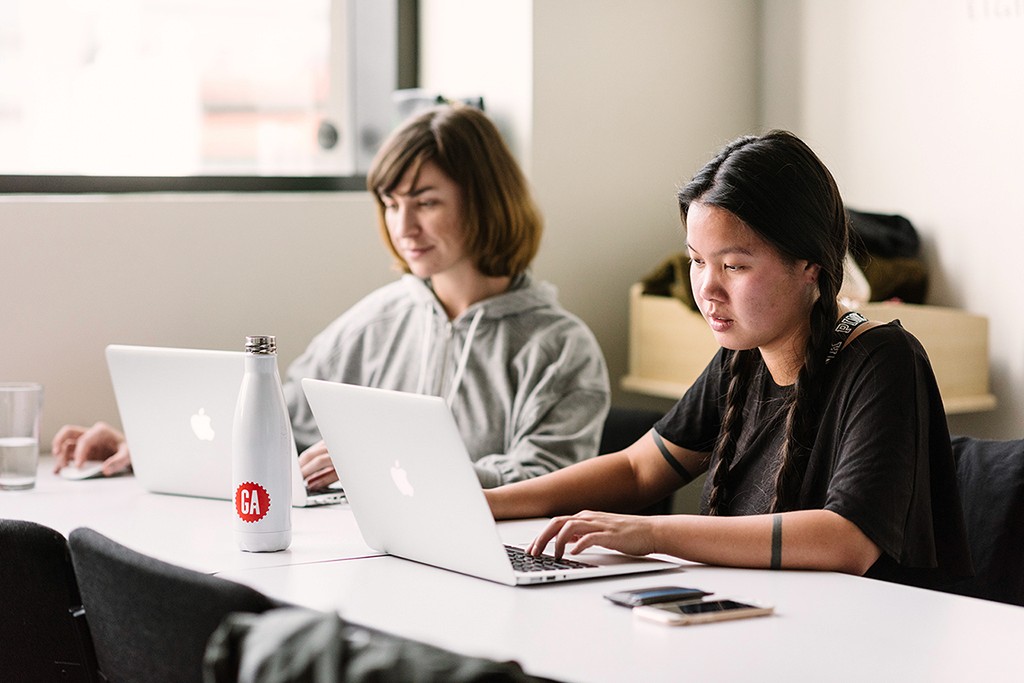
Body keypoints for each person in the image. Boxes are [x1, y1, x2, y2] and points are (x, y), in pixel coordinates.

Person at [486, 130, 972, 589]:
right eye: (698, 261)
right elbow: (638, 470)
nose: (707, 289)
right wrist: (485, 504)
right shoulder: (741, 356)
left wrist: (655, 534)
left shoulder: (883, 360)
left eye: (734, 266)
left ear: (810, 265)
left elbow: (847, 540)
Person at [52, 104, 611, 490]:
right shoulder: (376, 321)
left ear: (485, 202)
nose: (404, 226)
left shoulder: (560, 347)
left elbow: (549, 482)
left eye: (427, 201)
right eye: (391, 204)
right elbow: (277, 424)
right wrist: (150, 447)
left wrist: (384, 464)